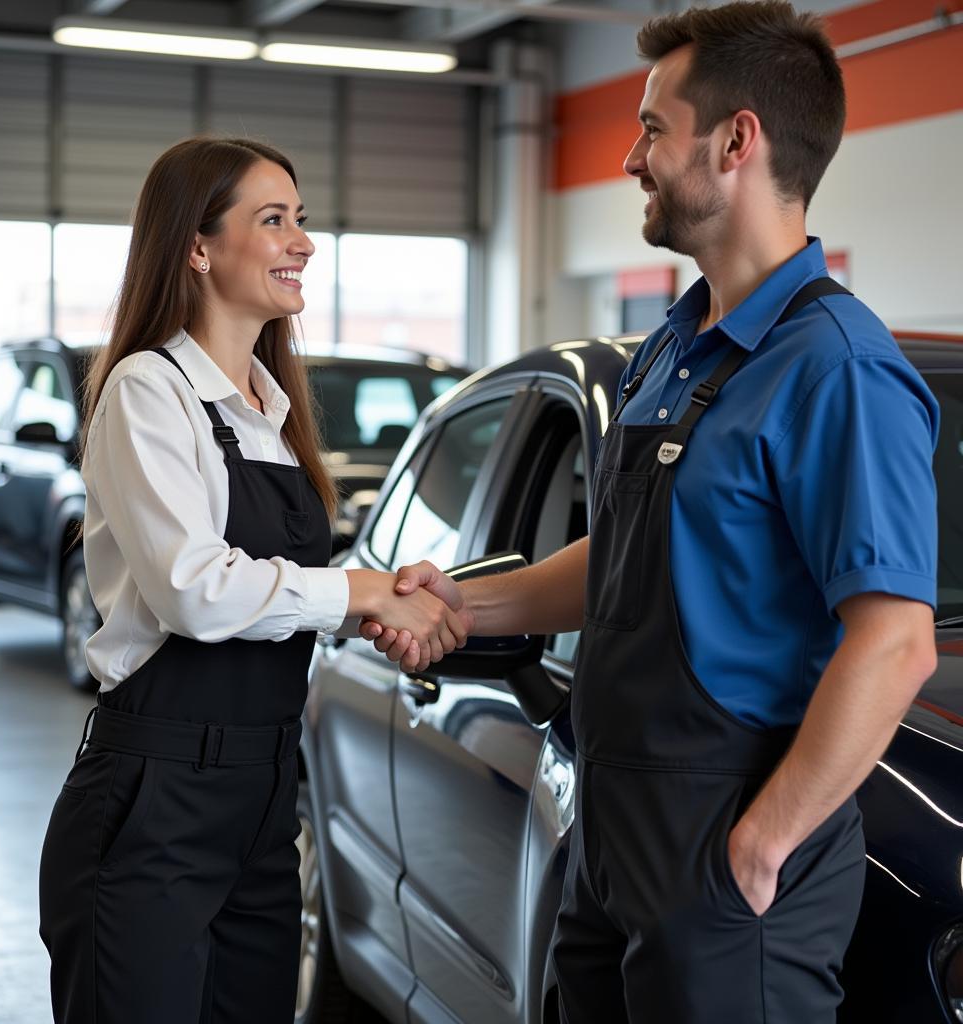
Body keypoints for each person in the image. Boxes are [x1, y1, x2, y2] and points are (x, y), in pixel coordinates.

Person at [363, 3, 940, 1021]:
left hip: (724, 855)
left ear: (735, 141)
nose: (630, 157)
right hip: (612, 835)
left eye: (649, 127)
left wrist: (759, 849)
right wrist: (460, 601)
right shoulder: (674, 349)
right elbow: (629, 556)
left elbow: (894, 644)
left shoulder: (835, 370)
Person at [38, 136, 465, 1024]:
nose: (302, 241)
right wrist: (360, 594)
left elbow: (291, 587)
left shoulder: (273, 409)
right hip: (156, 798)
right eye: (273, 220)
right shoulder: (147, 391)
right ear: (196, 246)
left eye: (301, 220)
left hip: (266, 799)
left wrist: (393, 599)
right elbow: (196, 589)